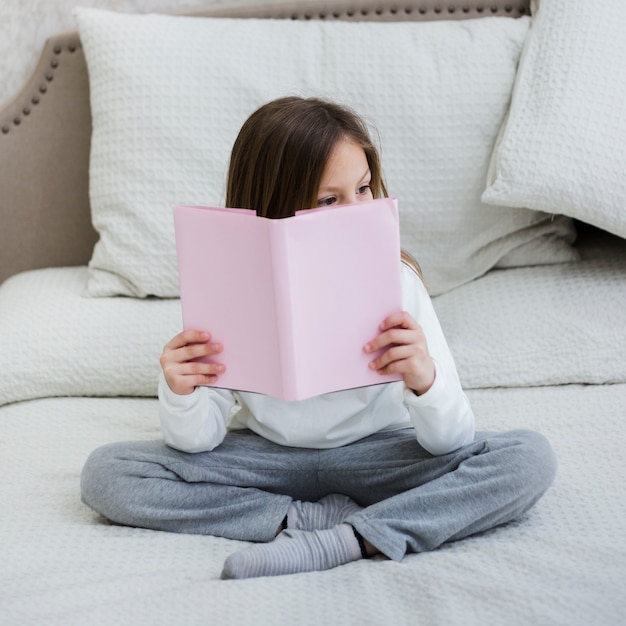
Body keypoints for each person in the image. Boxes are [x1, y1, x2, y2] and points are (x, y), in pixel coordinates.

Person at [81, 96, 557, 580]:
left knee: (527, 457)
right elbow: (198, 442)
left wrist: (425, 381)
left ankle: (357, 537)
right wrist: (182, 395)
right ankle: (300, 520)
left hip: (380, 456)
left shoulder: (398, 284)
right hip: (269, 460)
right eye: (329, 200)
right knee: (108, 473)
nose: (354, 211)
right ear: (273, 203)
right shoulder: (231, 289)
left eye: (364, 189)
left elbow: (450, 439)